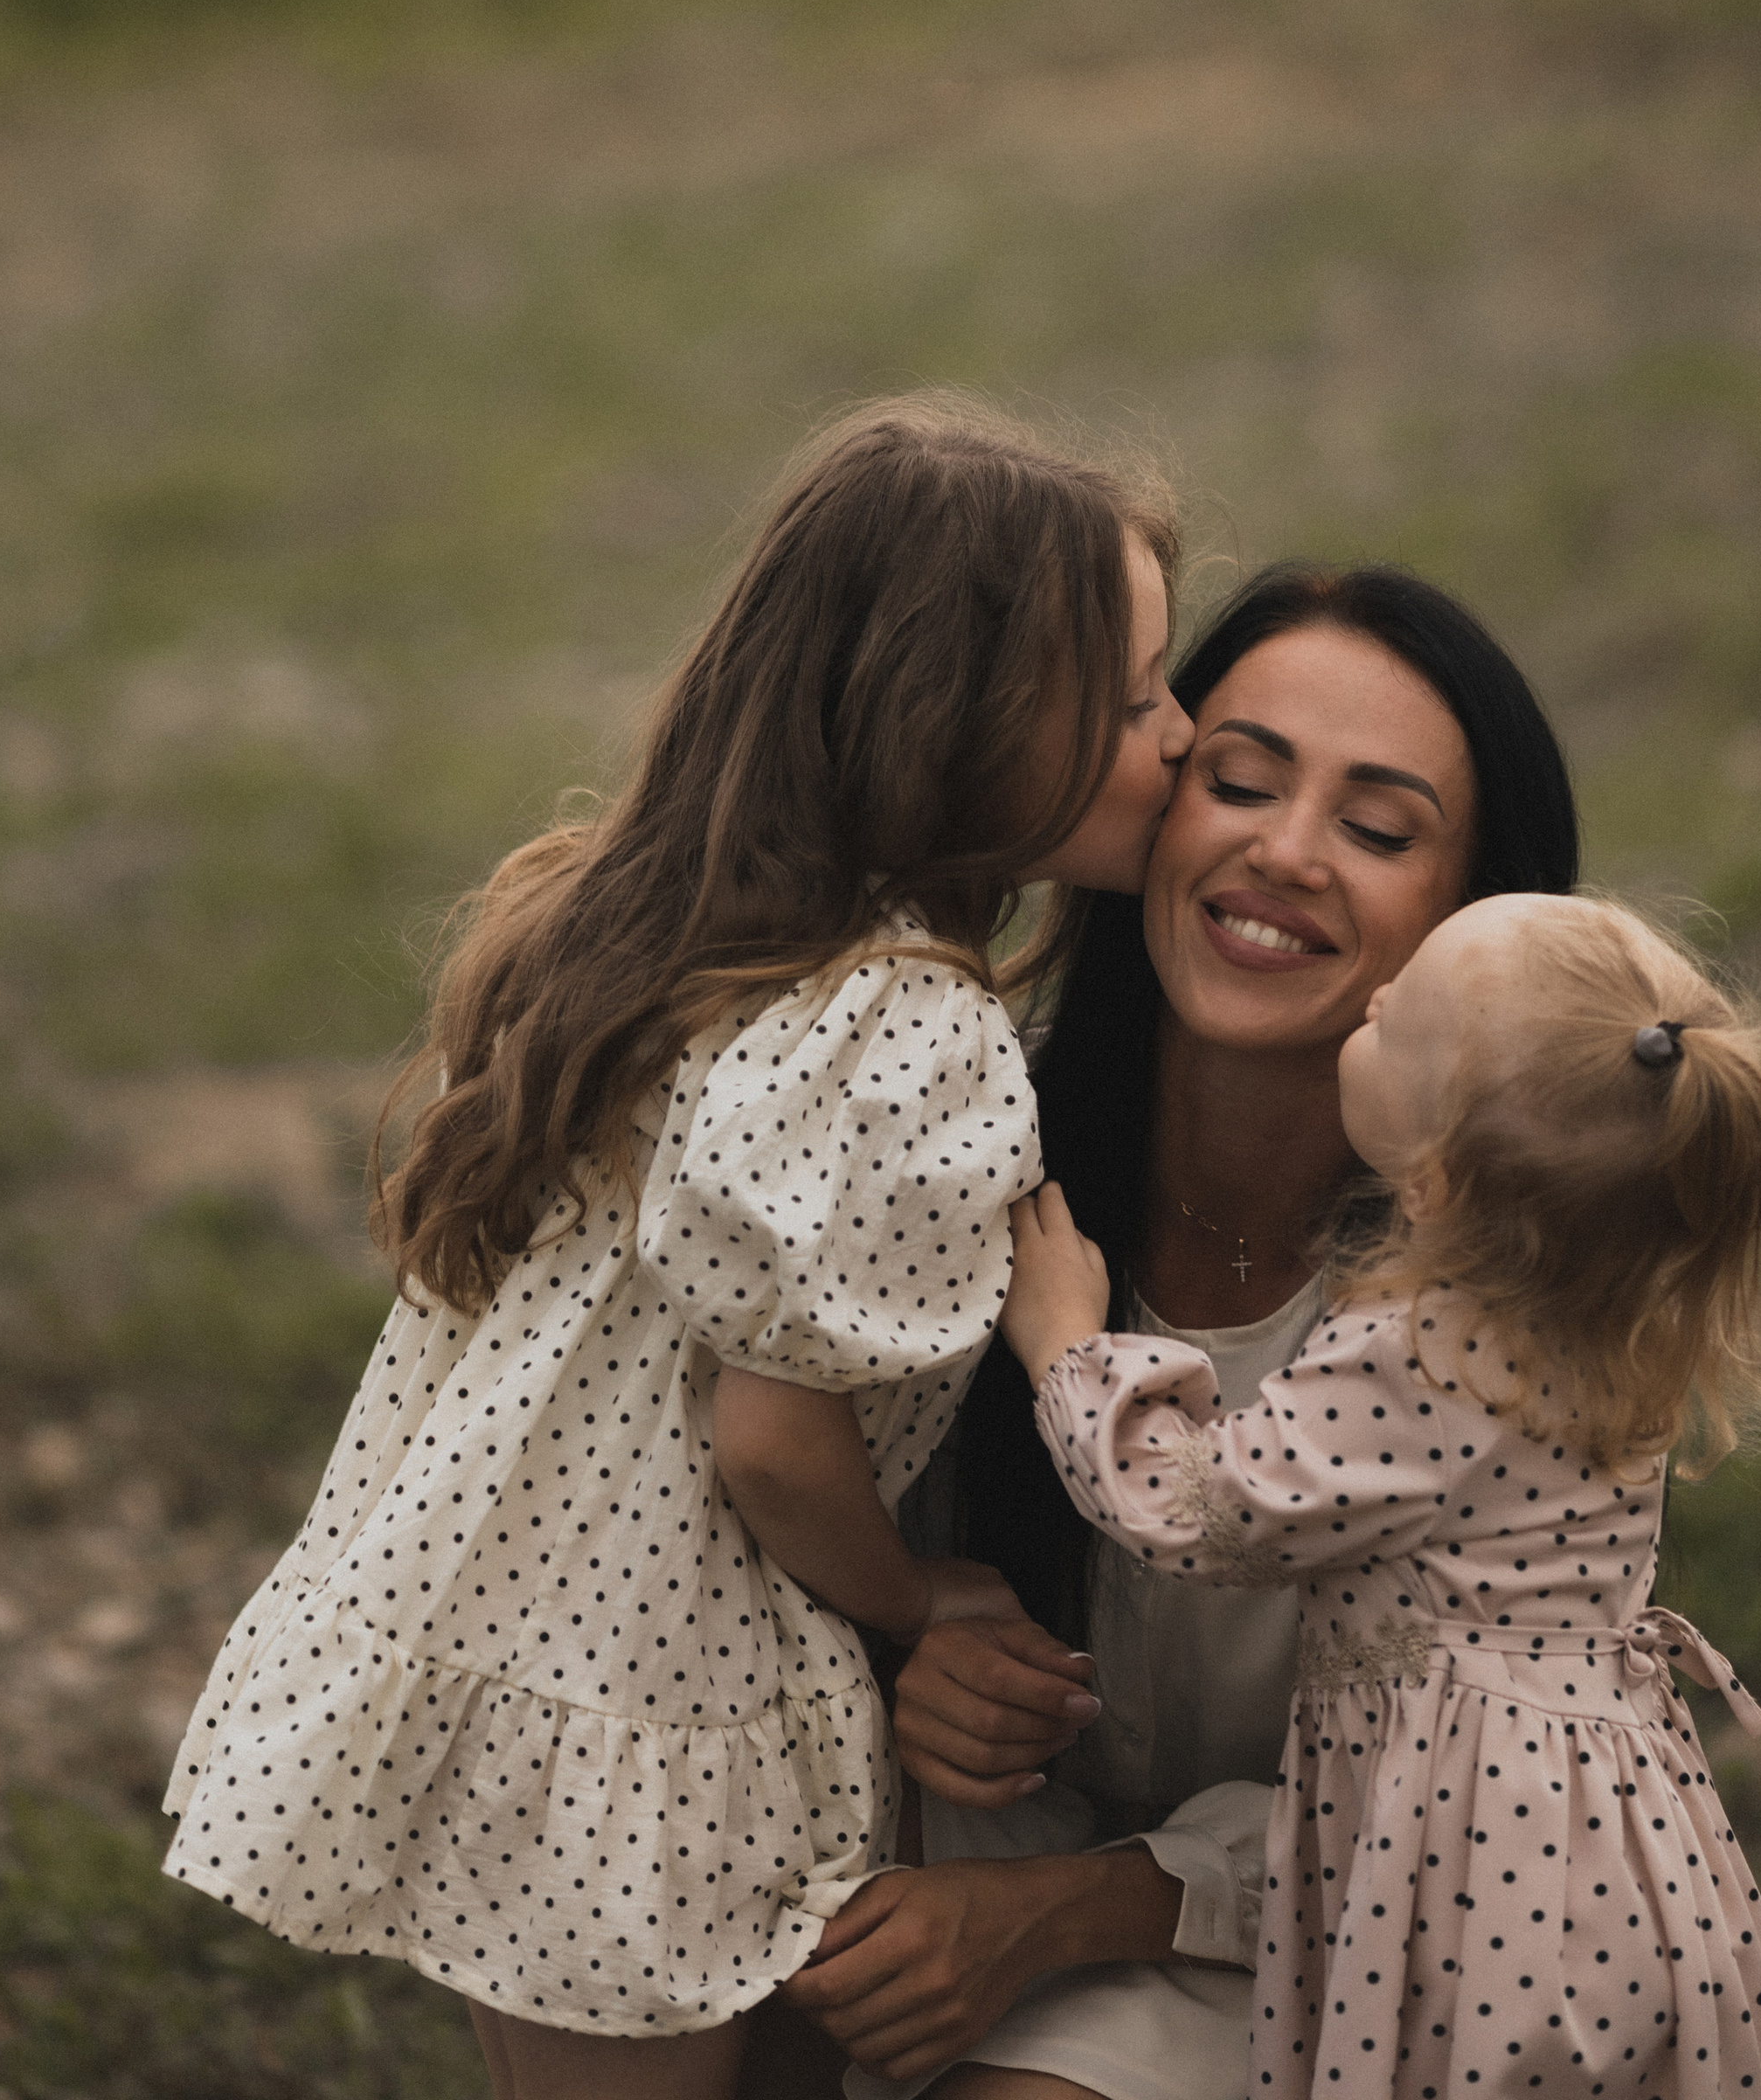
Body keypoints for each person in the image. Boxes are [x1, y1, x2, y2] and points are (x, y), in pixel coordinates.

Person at [161, 395, 1196, 2099]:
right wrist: (912, 1599)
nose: (1172, 734)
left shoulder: (674, 942)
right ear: (958, 715)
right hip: (652, 1716)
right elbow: (773, 1442)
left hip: (516, 1668)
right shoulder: (912, 1038)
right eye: (1131, 695)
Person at [792, 563, 1583, 2100]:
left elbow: (1493, 1803)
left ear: (1480, 928)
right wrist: (904, 1649)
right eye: (1238, 781)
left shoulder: (1507, 1306)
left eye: (1376, 827)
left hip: (1353, 1959)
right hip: (940, 1876)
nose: (1283, 854)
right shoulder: (950, 1150)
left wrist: (1072, 1913)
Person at [1003, 890, 1761, 2098]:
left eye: (1397, 1019)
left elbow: (1210, 1510)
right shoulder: (1610, 1325)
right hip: (1610, 1827)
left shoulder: (1422, 1353)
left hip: (1477, 1849)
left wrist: (1068, 1348)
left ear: (1430, 1183)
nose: (1371, 1003)